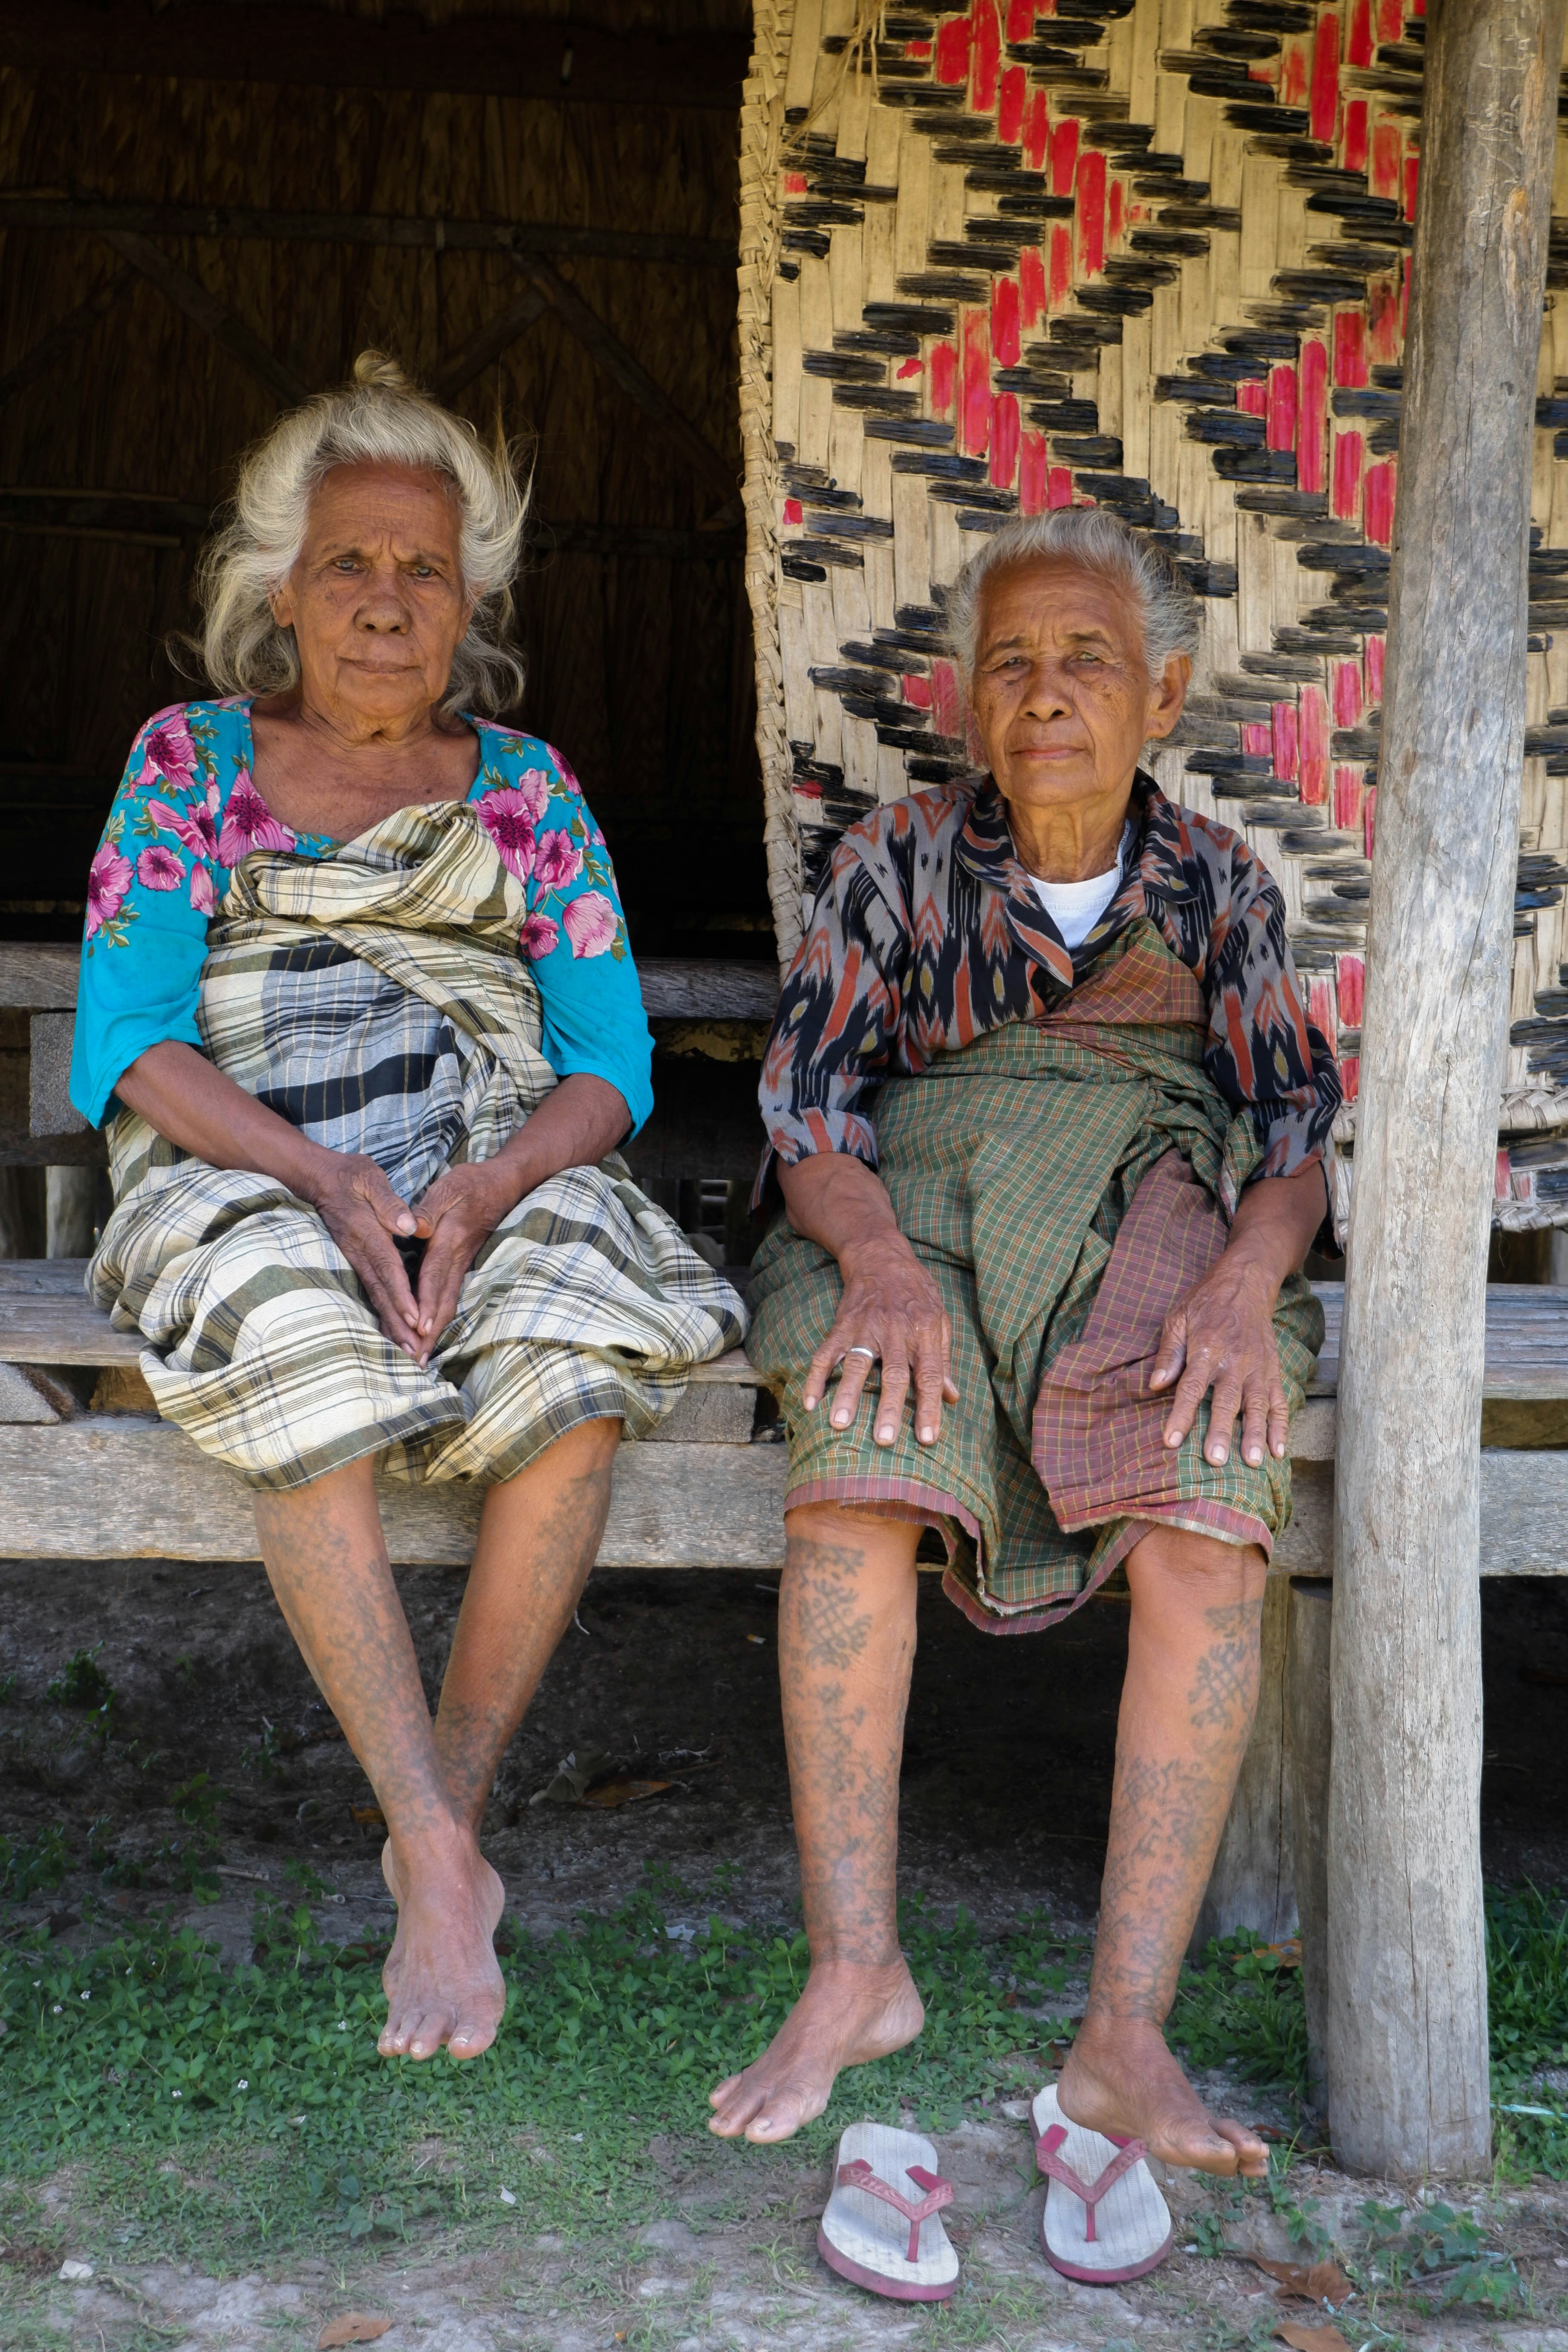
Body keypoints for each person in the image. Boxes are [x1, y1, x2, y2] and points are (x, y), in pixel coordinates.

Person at [69, 352, 745, 2066]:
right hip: (245, 1155)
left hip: (486, 1149)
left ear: (472, 606)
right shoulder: (188, 765)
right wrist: (322, 1176)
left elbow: (608, 1066)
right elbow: (128, 1039)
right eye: (350, 563)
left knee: (580, 1351)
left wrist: (489, 1185)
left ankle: (442, 1808)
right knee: (289, 1323)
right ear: (280, 591)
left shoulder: (525, 789)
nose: (385, 599)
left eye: (422, 570)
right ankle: (444, 1861)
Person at [712, 507, 1338, 2183]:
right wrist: (881, 1273)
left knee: (1209, 1529)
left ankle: (1124, 2029)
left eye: (1085, 663)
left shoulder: (1215, 885)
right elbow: (810, 1112)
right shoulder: (896, 861)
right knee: (851, 1486)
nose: (1046, 694)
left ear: (1164, 695)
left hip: (1151, 1232)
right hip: (903, 1213)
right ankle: (855, 1973)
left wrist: (1229, 1289)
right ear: (961, 702)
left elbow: (1291, 1141)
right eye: (1012, 666)